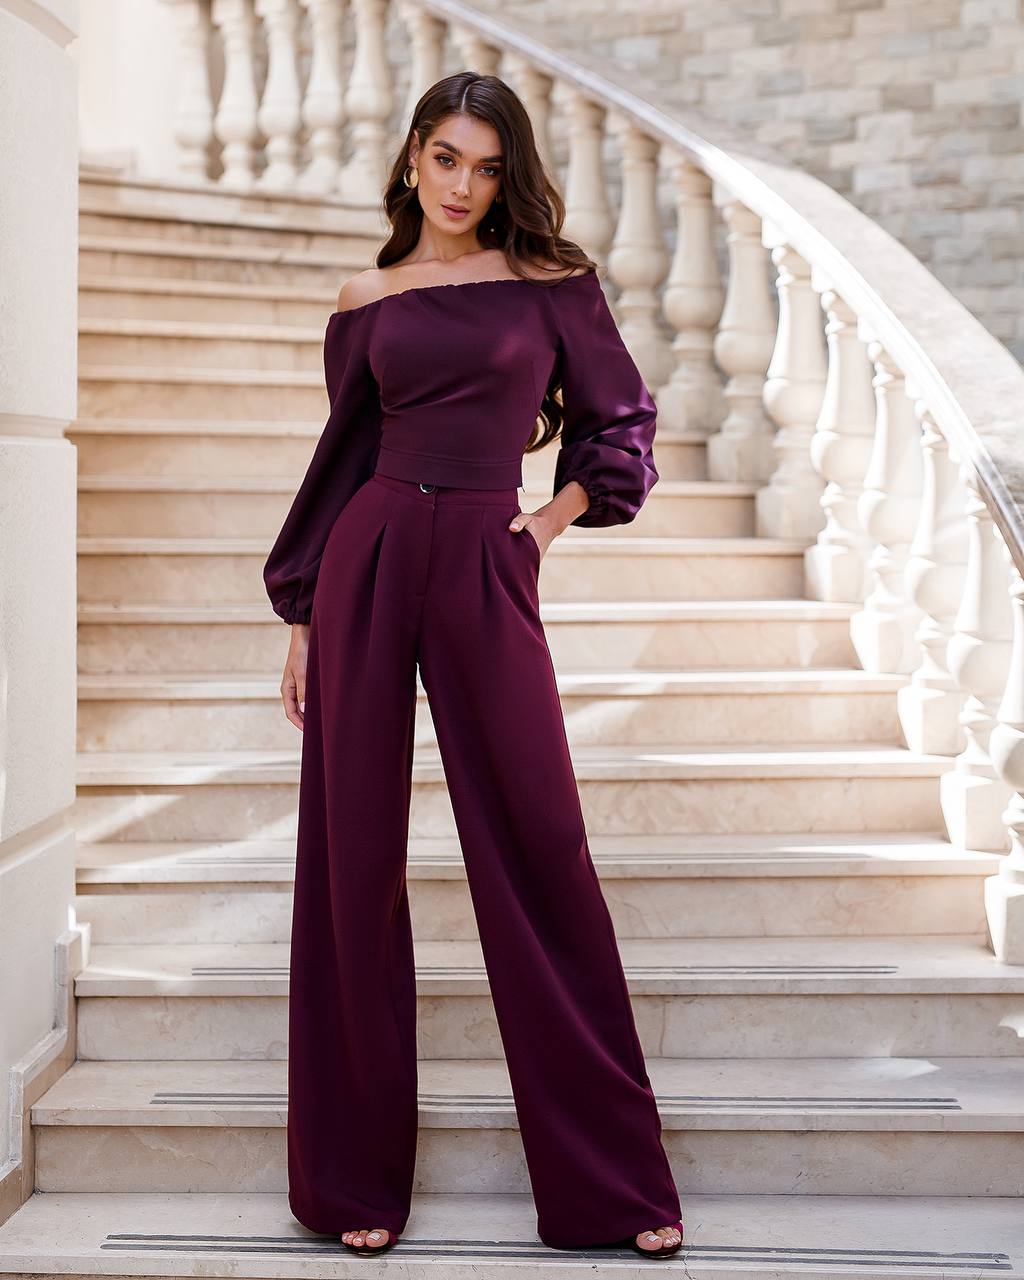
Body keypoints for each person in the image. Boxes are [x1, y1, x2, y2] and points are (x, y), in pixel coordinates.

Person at [263, 70, 684, 1261]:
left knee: (538, 843)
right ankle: (351, 1179)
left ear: (511, 177)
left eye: (487, 166)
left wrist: (545, 526)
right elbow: (340, 460)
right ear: (410, 160)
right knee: (351, 859)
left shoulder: (552, 285)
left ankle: (611, 1185)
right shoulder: (367, 296)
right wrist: (301, 613)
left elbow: (620, 422)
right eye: (445, 158)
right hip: (370, 555)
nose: (463, 185)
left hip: (485, 557)